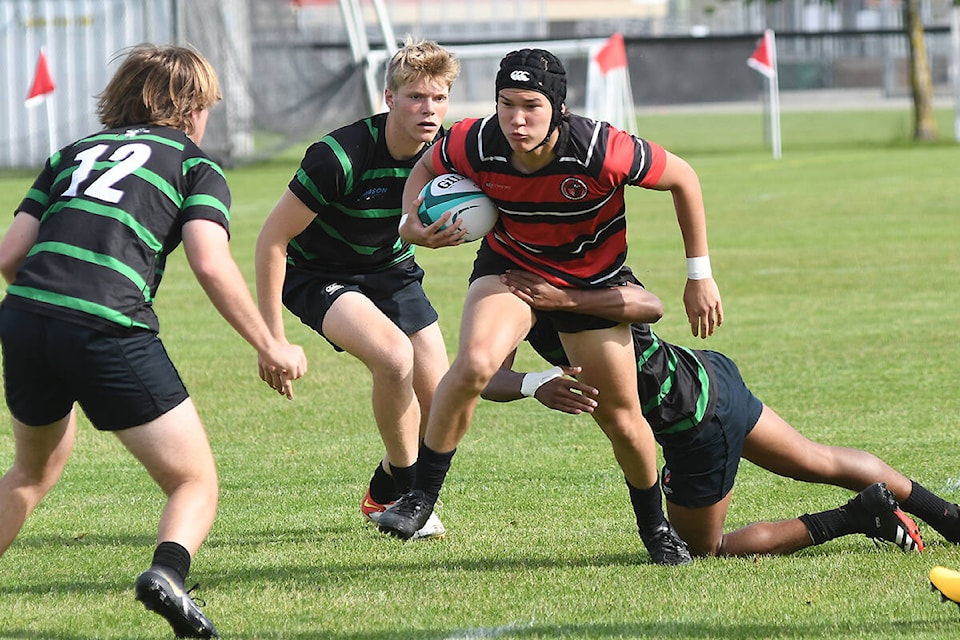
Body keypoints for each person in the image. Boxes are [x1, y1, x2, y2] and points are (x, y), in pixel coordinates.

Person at [0, 44, 307, 639]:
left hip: (25, 316)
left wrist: (52, 309)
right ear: (192, 108)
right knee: (193, 480)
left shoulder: (70, 154)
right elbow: (210, 264)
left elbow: (10, 254)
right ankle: (167, 574)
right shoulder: (193, 165)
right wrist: (270, 342)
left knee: (31, 473)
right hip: (109, 323)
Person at [378, 48, 722, 566]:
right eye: (506, 103)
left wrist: (699, 275)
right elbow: (427, 165)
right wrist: (410, 224)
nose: (516, 120)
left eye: (531, 105)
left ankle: (655, 528)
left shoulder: (601, 148)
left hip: (590, 282)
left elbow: (684, 179)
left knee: (620, 416)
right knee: (473, 365)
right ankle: (420, 498)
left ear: (558, 107)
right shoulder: (475, 140)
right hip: (511, 268)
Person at [482, 269, 960, 557]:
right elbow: (484, 377)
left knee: (703, 550)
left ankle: (857, 517)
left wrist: (562, 299)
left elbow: (650, 306)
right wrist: (534, 383)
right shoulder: (514, 291)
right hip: (708, 377)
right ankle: (948, 517)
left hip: (693, 420)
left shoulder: (585, 260)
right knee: (818, 459)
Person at [255, 38, 461, 539]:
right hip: (319, 274)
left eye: (438, 98)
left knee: (443, 402)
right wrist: (271, 340)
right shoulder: (338, 156)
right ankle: (412, 490)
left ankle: (386, 490)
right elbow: (271, 241)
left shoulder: (450, 152)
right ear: (388, 98)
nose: (427, 110)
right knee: (393, 359)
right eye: (415, 97)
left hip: (391, 270)